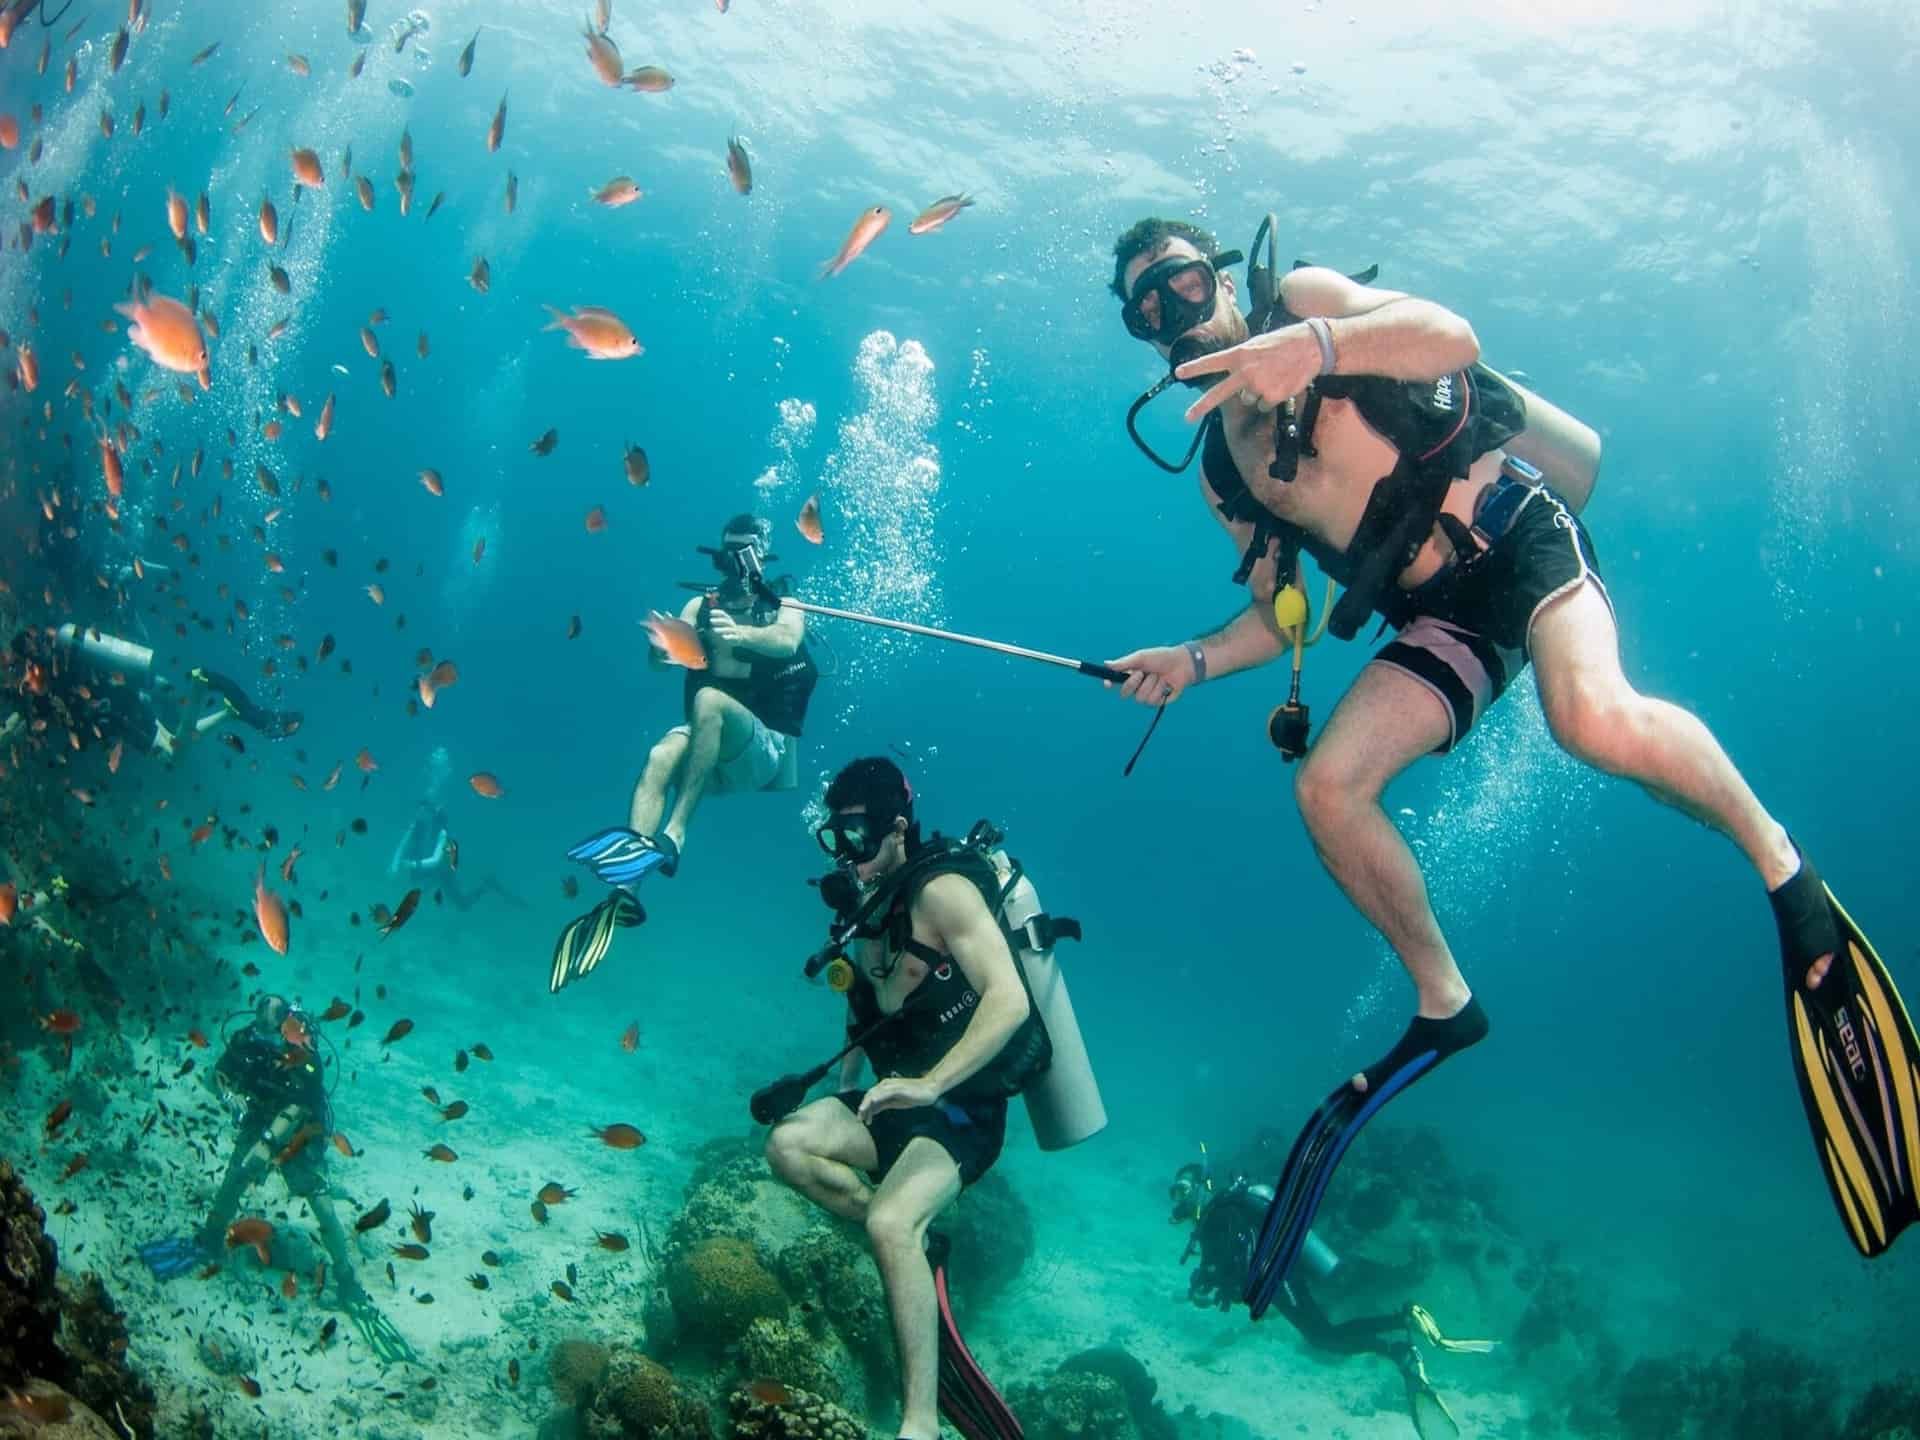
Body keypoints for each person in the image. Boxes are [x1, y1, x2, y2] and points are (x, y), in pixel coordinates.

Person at [1102, 215, 1918, 1305]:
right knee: (1328, 790)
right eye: (1144, 304)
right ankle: (1445, 1000)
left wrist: (1321, 348)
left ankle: (1787, 876)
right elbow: (1280, 613)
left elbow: (1450, 336)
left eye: (1182, 279)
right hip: (1439, 617)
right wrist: (1191, 662)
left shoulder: (1301, 299)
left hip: (1515, 537)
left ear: (1218, 274)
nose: (1170, 309)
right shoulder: (1218, 460)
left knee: (1592, 720)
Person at [761, 758, 1103, 1440]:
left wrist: (931, 1084)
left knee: (890, 1225)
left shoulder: (943, 891)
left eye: (858, 837)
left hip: (961, 1110)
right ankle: (916, 1251)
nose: (848, 857)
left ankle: (920, 1426)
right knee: (787, 1147)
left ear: (896, 828)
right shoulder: (863, 910)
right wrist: (847, 1088)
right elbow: (862, 1014)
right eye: (836, 840)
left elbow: (1007, 999)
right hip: (893, 1101)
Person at [556, 514, 820, 987]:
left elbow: (786, 640)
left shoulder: (783, 601)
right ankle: (627, 885)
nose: (735, 561)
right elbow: (661, 664)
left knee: (709, 699)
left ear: (761, 555)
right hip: (709, 755)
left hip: (764, 751)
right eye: (728, 551)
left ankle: (675, 833)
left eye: (746, 551)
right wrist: (660, 647)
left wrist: (744, 636)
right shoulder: (700, 604)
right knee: (659, 756)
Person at [136, 996, 413, 1364]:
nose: (270, 1041)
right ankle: (211, 1240)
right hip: (257, 1120)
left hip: (298, 1135)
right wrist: (229, 1094)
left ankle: (346, 1279)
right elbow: (215, 1076)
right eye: (265, 1032)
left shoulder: (305, 1052)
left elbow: (304, 1104)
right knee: (234, 1181)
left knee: (322, 1205)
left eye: (277, 1033)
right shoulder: (245, 1042)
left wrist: (271, 1144)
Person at [1170, 1140, 1491, 1440]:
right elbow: (1232, 1266)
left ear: (1202, 1185)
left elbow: (1242, 1259)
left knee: (1322, 1335)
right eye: (1174, 1192)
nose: (1177, 1198)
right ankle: (1397, 1339)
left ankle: (1401, 1329)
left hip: (1280, 1276)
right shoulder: (1215, 1218)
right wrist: (1209, 1280)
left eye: (1182, 1189)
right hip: (1281, 1274)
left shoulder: (1221, 1214)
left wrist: (1216, 1280)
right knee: (1324, 1334)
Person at [389, 747, 524, 911]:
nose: (423, 815)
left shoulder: (441, 830)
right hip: (422, 867)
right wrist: (395, 863)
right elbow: (402, 845)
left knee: (462, 904)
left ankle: (487, 885)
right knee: (415, 887)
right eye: (422, 810)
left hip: (442, 869)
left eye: (427, 811)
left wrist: (410, 864)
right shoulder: (417, 825)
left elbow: (436, 859)